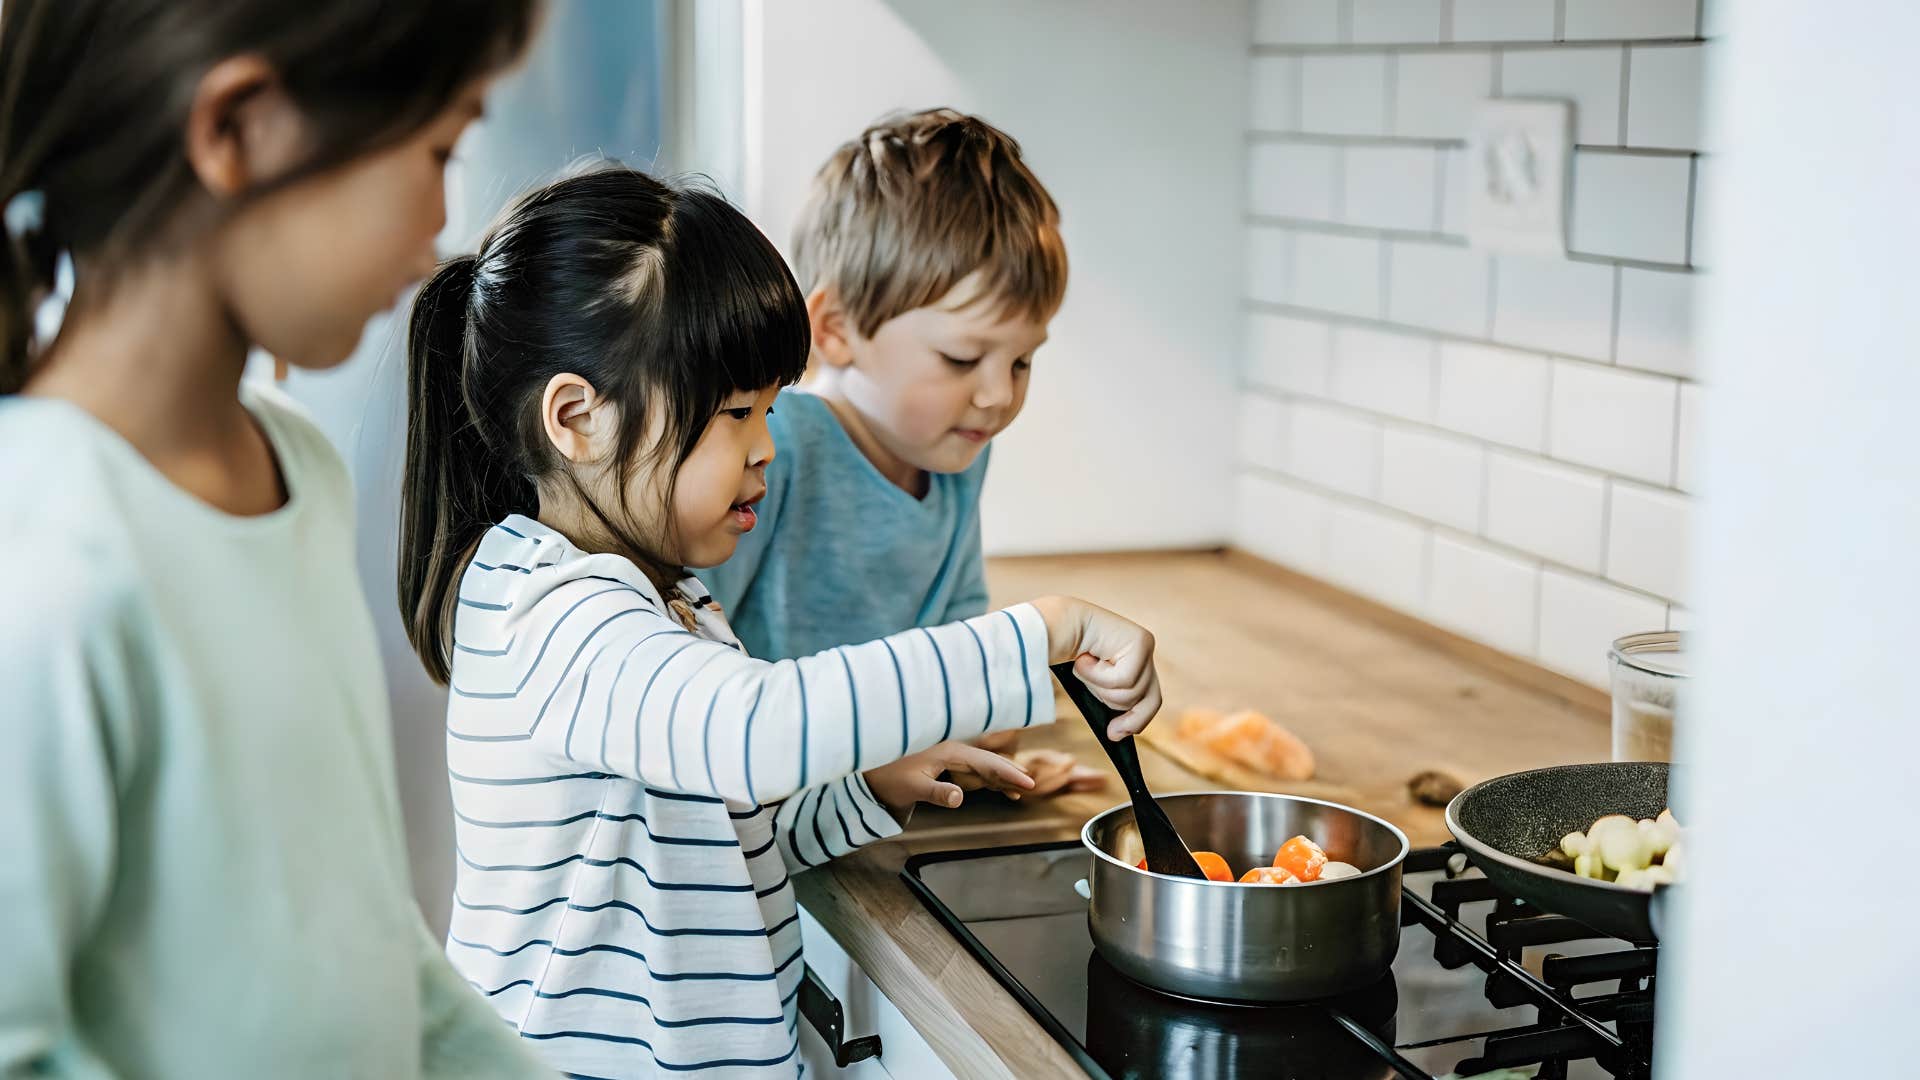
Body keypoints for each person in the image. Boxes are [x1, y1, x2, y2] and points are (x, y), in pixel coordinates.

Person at [398, 165, 1162, 1077]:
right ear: (578, 417)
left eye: (767, 407)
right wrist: (1044, 632)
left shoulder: (668, 599)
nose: (767, 444)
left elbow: (725, 836)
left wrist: (865, 790)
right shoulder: (551, 616)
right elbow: (755, 730)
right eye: (734, 414)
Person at [0, 2, 558, 1076]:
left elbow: (369, 943)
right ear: (237, 129)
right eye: (437, 148)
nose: (439, 224)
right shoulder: (47, 552)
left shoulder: (298, 471)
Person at [701, 109, 1103, 796]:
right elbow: (700, 668)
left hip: (864, 804)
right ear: (837, 330)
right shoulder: (776, 449)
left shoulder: (953, 458)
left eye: (1023, 362)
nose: (996, 397)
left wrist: (984, 724)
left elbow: (957, 631)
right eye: (962, 358)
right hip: (768, 815)